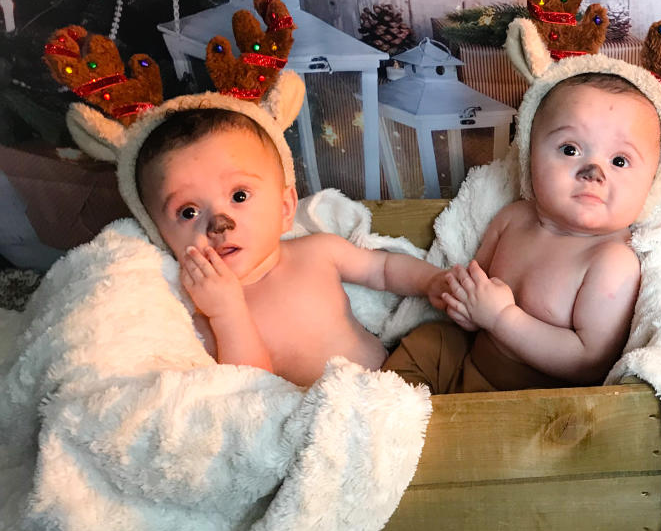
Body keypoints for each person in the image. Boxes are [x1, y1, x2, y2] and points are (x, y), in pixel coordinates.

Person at [384, 72, 661, 393]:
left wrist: (501, 318)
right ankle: (382, 411)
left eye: (619, 160)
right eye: (570, 149)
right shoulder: (513, 219)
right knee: (426, 342)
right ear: (530, 156)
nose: (593, 172)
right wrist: (469, 309)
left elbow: (588, 361)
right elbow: (478, 287)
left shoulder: (612, 262)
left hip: (528, 405)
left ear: (651, 181)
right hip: (468, 359)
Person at [135, 108, 452, 387]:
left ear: (286, 208)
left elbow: (383, 269)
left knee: (441, 343)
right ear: (162, 237)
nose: (219, 224)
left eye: (239, 196)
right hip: (324, 420)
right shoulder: (205, 317)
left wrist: (433, 281)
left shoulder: (317, 252)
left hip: (398, 377)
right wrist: (227, 313)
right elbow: (250, 390)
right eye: (188, 212)